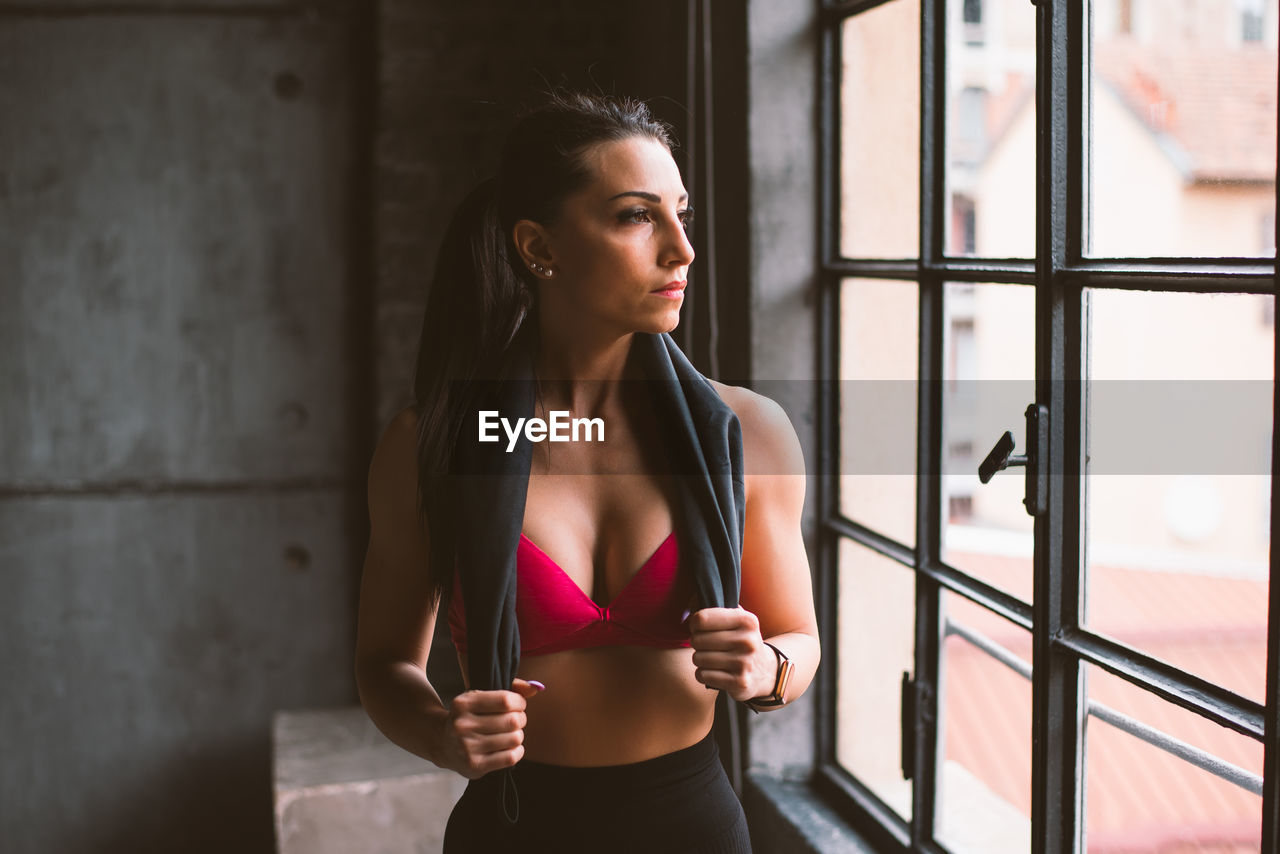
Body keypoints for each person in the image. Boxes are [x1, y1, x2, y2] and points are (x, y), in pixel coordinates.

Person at [354, 91, 819, 854]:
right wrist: (441, 734)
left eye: (681, 213)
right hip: (514, 832)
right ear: (540, 247)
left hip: (693, 828)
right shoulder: (430, 444)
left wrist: (768, 666)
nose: (681, 249)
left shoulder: (751, 433)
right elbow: (384, 664)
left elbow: (800, 637)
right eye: (636, 216)